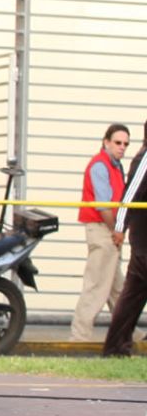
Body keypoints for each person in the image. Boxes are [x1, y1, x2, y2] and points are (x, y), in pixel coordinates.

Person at [72, 123, 130, 342]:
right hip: (102, 230)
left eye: (125, 144)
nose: (122, 147)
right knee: (96, 286)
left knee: (119, 291)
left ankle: (127, 334)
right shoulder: (100, 166)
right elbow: (103, 205)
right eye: (117, 142)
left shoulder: (115, 167)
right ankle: (79, 338)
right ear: (106, 142)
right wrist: (117, 230)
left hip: (109, 232)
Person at [102, 123, 147, 357]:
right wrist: (120, 226)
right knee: (131, 295)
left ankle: (116, 348)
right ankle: (115, 347)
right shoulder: (145, 157)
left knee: (131, 297)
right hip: (144, 241)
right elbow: (130, 193)